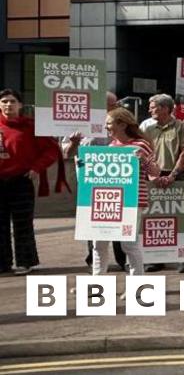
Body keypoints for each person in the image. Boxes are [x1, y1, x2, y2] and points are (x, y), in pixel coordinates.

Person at [92, 107, 162, 276]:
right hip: (109, 201)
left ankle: (137, 285)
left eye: (109, 123)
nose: (106, 127)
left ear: (122, 125)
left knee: (129, 244)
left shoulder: (141, 145)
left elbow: (155, 173)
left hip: (132, 201)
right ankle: (96, 282)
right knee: (99, 243)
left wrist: (143, 160)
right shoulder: (111, 146)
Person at [62, 91, 126, 271]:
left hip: (118, 178)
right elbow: (67, 153)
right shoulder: (78, 123)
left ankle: (123, 259)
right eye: (110, 105)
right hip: (88, 181)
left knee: (120, 218)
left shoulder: (122, 124)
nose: (114, 107)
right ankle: (94, 260)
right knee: (92, 221)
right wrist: (74, 143)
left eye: (115, 104)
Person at [0, 89, 59, 274]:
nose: (8, 105)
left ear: (20, 105)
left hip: (21, 181)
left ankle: (26, 262)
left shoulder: (32, 127)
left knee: (23, 223)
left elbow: (51, 151)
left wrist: (36, 168)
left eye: (12, 101)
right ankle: (2, 264)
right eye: (4, 101)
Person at [140, 94, 184, 273]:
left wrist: (172, 175)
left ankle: (183, 258)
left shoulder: (182, 127)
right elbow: (141, 152)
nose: (149, 109)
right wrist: (152, 176)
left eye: (153, 106)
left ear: (165, 108)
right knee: (153, 218)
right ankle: (154, 259)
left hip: (175, 174)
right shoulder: (145, 127)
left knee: (179, 217)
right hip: (151, 174)